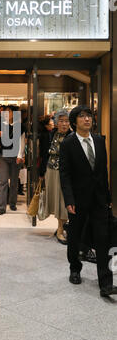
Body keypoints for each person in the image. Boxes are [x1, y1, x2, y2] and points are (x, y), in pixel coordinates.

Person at [59, 105, 117, 297]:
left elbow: (103, 172)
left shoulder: (100, 141)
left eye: (89, 116)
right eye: (82, 117)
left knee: (103, 238)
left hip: (99, 200)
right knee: (74, 237)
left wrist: (108, 197)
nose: (87, 119)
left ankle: (105, 283)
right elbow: (65, 174)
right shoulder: (68, 143)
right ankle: (74, 268)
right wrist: (69, 199)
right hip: (77, 200)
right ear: (75, 122)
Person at [40, 110, 72, 244]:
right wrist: (41, 173)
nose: (64, 124)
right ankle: (60, 227)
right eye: (61, 121)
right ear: (56, 122)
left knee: (63, 201)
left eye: (66, 121)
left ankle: (61, 229)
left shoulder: (72, 136)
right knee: (55, 200)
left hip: (66, 173)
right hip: (51, 170)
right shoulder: (50, 135)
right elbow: (43, 155)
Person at [0, 106, 25, 215]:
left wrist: (19, 155)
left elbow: (22, 142)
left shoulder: (20, 126)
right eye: (6, 112)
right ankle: (1, 207)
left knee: (13, 182)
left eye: (9, 112)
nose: (7, 114)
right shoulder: (1, 125)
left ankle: (12, 203)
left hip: (14, 157)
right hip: (3, 156)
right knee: (3, 182)